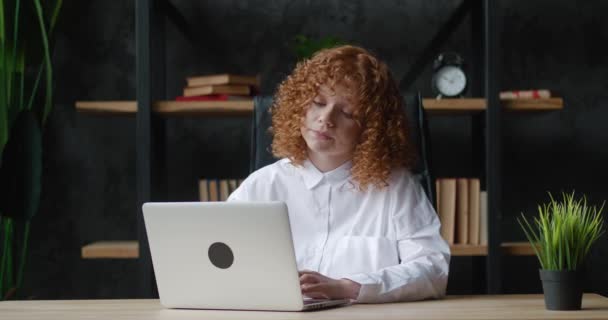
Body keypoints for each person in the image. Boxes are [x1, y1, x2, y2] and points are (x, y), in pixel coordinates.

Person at [228, 45, 450, 303]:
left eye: (347, 113)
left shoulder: (396, 187)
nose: (326, 118)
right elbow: (218, 260)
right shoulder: (263, 185)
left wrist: (350, 287)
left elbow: (433, 269)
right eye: (318, 102)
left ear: (370, 129)